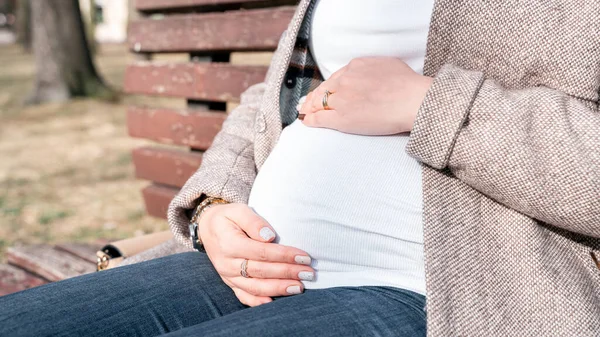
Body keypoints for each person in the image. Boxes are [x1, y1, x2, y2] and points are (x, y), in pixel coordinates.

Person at [1, 0, 599, 336]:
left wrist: (431, 106)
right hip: (257, 269)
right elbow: (272, 98)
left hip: (453, 294)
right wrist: (213, 205)